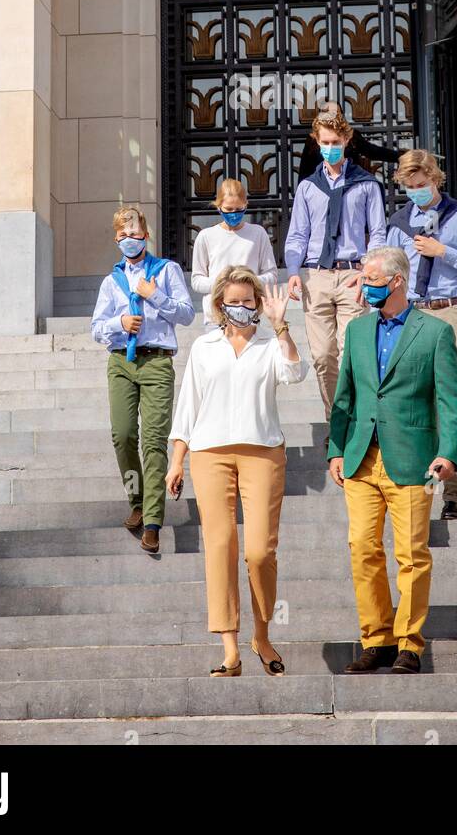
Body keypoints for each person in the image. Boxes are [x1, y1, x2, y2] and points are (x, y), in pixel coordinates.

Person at [328, 246, 457, 674]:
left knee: (412, 553)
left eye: (370, 279)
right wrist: (335, 448)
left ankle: (410, 643)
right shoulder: (356, 331)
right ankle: (377, 639)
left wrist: (449, 451)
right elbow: (345, 395)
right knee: (363, 550)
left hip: (416, 462)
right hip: (361, 459)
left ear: (396, 281)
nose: (362, 286)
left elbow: (451, 400)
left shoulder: (436, 333)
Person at [166, 268, 306, 677]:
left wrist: (281, 327)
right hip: (209, 453)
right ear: (220, 305)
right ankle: (230, 648)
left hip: (262, 451)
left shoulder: (269, 343)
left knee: (260, 551)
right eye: (235, 301)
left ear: (259, 305)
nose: (242, 308)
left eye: (250, 301)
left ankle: (261, 635)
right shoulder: (204, 347)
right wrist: (177, 459)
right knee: (220, 545)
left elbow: (294, 374)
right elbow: (188, 404)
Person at [385, 148, 457, 521]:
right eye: (410, 186)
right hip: (415, 314)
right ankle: (419, 492)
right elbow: (392, 270)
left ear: (435, 179)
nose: (417, 191)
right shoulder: (399, 222)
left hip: (453, 310)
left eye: (422, 184)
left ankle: (452, 495)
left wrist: (443, 251)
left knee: (453, 403)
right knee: (418, 404)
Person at [91, 205, 194, 554]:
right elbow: (95, 328)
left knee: (153, 442)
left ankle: (152, 521)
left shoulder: (166, 271)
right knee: (122, 435)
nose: (130, 240)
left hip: (156, 362)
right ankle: (136, 499)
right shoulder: (111, 281)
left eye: (136, 234)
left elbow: (186, 313)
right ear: (116, 239)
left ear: (146, 236)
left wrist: (155, 296)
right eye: (123, 235)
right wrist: (119, 323)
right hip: (121, 361)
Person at [285, 107, 387, 420]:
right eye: (324, 142)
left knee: (350, 355)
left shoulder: (367, 184)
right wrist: (292, 272)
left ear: (346, 140)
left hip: (352, 276)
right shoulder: (308, 188)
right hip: (316, 277)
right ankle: (337, 418)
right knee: (322, 356)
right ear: (316, 142)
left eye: (335, 141)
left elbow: (378, 234)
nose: (330, 147)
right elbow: (297, 236)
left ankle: (355, 421)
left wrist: (369, 273)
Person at [191, 178, 277, 325]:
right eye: (229, 209)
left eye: (238, 209)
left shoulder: (258, 233)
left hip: (249, 314)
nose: (234, 213)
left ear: (245, 205)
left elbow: (272, 275)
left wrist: (248, 282)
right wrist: (224, 284)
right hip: (216, 317)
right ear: (219, 207)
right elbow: (196, 280)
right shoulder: (205, 236)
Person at [296, 124, 400, 184]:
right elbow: (305, 167)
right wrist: (303, 188)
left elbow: (372, 151)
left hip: (350, 184)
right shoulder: (313, 140)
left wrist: (399, 157)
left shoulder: (351, 137)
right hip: (321, 186)